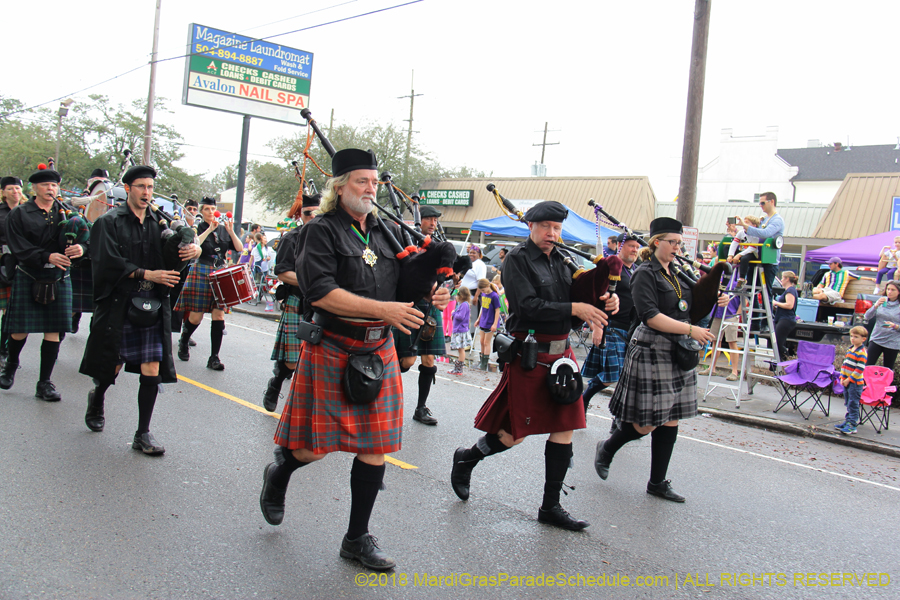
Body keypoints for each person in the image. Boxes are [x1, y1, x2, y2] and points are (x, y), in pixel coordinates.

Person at [258, 148, 449, 571]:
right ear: (339, 186)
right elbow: (319, 292)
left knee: (376, 446)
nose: (370, 188)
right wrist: (384, 310)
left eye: (374, 181)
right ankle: (281, 473)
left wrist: (432, 291)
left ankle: (356, 539)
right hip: (333, 346)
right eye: (361, 181)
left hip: (377, 348)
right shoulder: (321, 231)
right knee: (314, 450)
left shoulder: (383, 231)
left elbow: (405, 279)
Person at [450, 201, 617, 531]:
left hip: (562, 357)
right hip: (531, 354)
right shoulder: (517, 261)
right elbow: (528, 306)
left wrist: (606, 301)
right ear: (531, 227)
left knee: (564, 427)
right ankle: (466, 459)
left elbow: (581, 300)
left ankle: (550, 507)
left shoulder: (563, 261)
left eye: (557, 228)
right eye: (546, 227)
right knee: (514, 435)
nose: (552, 234)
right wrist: (577, 307)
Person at [594, 217, 726, 503]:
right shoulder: (644, 273)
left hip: (678, 348)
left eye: (680, 243)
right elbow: (650, 316)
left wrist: (717, 298)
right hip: (653, 347)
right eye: (673, 242)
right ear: (656, 243)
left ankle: (657, 482)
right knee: (648, 422)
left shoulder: (679, 271)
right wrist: (692, 330)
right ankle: (607, 447)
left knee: (672, 418)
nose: (677, 248)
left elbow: (694, 303)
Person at [79, 165, 200, 454]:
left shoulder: (159, 223)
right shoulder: (109, 222)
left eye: (150, 187)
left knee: (152, 369)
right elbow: (107, 262)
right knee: (113, 366)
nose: (146, 192)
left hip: (152, 305)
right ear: (129, 189)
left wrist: (189, 250)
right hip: (120, 302)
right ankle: (98, 396)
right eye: (141, 187)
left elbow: (172, 257)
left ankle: (142, 434)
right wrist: (148, 274)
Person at [0, 167, 84, 400]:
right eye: (46, 185)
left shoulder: (68, 213)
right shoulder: (20, 214)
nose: (51, 189)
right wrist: (46, 256)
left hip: (58, 277)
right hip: (30, 274)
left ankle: (44, 383)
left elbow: (87, 235)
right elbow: (18, 247)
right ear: (34, 189)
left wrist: (81, 248)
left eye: (54, 185)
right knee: (19, 330)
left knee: (53, 332)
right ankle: (11, 365)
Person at [262, 192, 320, 413]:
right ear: (300, 214)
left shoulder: (329, 238)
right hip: (298, 299)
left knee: (317, 361)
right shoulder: (291, 238)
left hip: (323, 303)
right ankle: (276, 383)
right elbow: (283, 273)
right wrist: (312, 283)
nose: (312, 218)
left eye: (317, 213)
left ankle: (305, 408)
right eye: (307, 214)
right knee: (294, 362)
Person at [391, 204, 447, 426]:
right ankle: (385, 390)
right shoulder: (406, 240)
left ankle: (420, 408)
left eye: (435, 220)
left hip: (431, 307)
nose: (433, 223)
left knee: (429, 359)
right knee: (406, 361)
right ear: (418, 220)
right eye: (429, 219)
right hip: (410, 304)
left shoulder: (439, 246)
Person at [173, 197, 243, 370]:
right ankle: (184, 339)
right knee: (196, 316)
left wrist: (231, 231)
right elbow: (195, 244)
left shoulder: (223, 229)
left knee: (218, 315)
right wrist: (209, 230)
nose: (211, 212)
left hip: (220, 272)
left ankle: (214, 358)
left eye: (213, 209)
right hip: (202, 269)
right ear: (202, 212)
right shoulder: (198, 227)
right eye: (207, 210)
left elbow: (239, 248)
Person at [582, 231, 641, 411]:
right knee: (611, 377)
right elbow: (597, 297)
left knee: (628, 377)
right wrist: (597, 327)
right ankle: (584, 399)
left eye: (637, 247)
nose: (635, 250)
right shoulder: (610, 267)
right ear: (620, 246)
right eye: (631, 246)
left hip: (632, 329)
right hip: (612, 328)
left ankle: (618, 418)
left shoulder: (637, 270)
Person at [740, 192, 784, 298]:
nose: (761, 206)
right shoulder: (764, 219)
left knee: (765, 295)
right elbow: (755, 236)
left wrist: (746, 226)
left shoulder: (777, 220)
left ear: (772, 202)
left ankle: (766, 314)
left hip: (769, 260)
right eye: (759, 203)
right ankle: (753, 314)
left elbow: (765, 234)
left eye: (763, 203)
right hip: (757, 256)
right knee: (750, 291)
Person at [0, 176, 24, 363]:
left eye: (17, 188)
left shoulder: (27, 211)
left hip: (21, 264)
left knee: (11, 310)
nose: (14, 192)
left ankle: (4, 349)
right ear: (3, 192)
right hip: (2, 262)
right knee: (5, 309)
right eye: (10, 189)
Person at [835, 326, 868, 435]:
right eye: (851, 336)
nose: (853, 339)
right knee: (848, 402)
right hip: (846, 381)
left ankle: (852, 425)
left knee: (853, 403)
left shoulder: (861, 352)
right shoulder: (850, 349)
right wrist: (842, 377)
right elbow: (845, 365)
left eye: (856, 337)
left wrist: (849, 379)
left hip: (855, 383)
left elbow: (859, 369)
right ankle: (848, 421)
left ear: (863, 339)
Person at [863, 280, 900, 371]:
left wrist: (894, 326)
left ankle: (885, 385)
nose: (889, 292)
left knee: (887, 370)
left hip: (892, 342)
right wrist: (875, 305)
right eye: (888, 289)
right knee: (867, 366)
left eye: (893, 290)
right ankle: (865, 385)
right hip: (877, 338)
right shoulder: (881, 302)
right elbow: (867, 316)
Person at [725, 214, 761, 289]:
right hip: (743, 252)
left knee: (745, 258)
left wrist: (739, 255)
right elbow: (734, 243)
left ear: (754, 225)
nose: (744, 224)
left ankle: (742, 279)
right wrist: (730, 255)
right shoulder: (741, 232)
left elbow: (752, 247)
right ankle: (729, 265)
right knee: (726, 247)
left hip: (752, 253)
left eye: (747, 223)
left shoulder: (756, 234)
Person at [772, 270, 799, 359]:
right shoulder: (788, 290)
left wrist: (776, 303)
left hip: (786, 319)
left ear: (787, 279)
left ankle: (787, 360)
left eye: (783, 278)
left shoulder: (790, 290)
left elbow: (789, 305)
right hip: (782, 318)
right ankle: (779, 364)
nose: (781, 280)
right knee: (778, 342)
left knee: (778, 343)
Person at [474, 278, 500, 370]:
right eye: (481, 290)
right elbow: (482, 308)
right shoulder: (483, 294)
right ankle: (481, 361)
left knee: (486, 342)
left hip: (490, 321)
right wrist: (478, 319)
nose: (482, 291)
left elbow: (497, 310)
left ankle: (484, 363)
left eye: (483, 290)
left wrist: (495, 324)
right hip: (483, 321)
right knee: (481, 341)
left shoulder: (494, 296)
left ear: (488, 286)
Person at [448, 286, 471, 375]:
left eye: (457, 295)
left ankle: (458, 369)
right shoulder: (462, 304)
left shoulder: (464, 305)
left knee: (461, 349)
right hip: (459, 329)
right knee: (460, 349)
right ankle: (457, 368)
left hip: (460, 330)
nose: (456, 297)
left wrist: (453, 313)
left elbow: (461, 316)